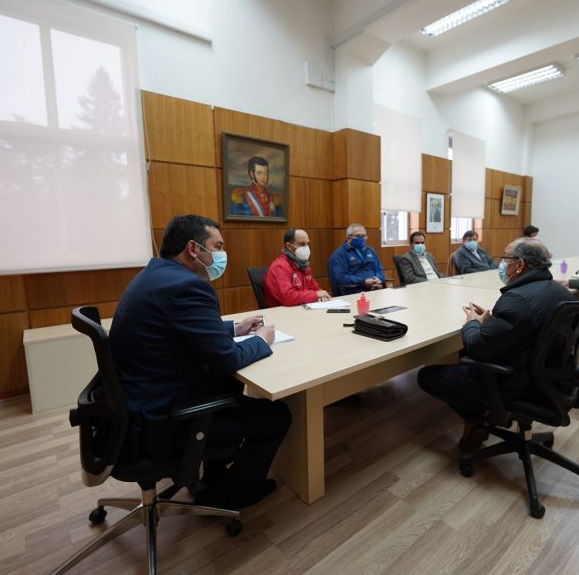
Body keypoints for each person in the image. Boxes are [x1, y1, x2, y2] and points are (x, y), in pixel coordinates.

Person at [110, 214, 291, 509]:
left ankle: (209, 479)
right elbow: (227, 360)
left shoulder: (155, 276)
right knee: (276, 415)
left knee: (226, 389)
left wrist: (235, 328)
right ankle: (232, 495)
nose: (221, 255)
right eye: (217, 246)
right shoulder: (189, 287)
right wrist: (262, 340)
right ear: (194, 249)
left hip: (137, 406)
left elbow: (177, 327)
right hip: (164, 420)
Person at [418, 238, 573, 450]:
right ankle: (486, 411)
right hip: (549, 376)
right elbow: (529, 327)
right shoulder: (558, 291)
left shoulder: (517, 299)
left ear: (519, 265)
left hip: (515, 380)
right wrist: (494, 322)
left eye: (505, 258)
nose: (501, 263)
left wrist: (472, 323)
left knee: (427, 376)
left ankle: (482, 414)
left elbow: (478, 348)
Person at [264, 228, 332, 307]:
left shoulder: (302, 265)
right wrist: (316, 295)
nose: (306, 247)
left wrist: (322, 295)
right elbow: (288, 297)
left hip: (302, 309)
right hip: (283, 314)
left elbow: (316, 288)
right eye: (302, 244)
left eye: (307, 244)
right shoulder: (279, 267)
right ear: (289, 246)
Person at [328, 223, 385, 294]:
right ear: (348, 238)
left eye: (364, 236)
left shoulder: (370, 250)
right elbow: (340, 277)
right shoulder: (339, 255)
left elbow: (379, 269)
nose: (362, 238)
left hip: (375, 289)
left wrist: (379, 281)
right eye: (358, 236)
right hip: (355, 291)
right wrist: (364, 282)